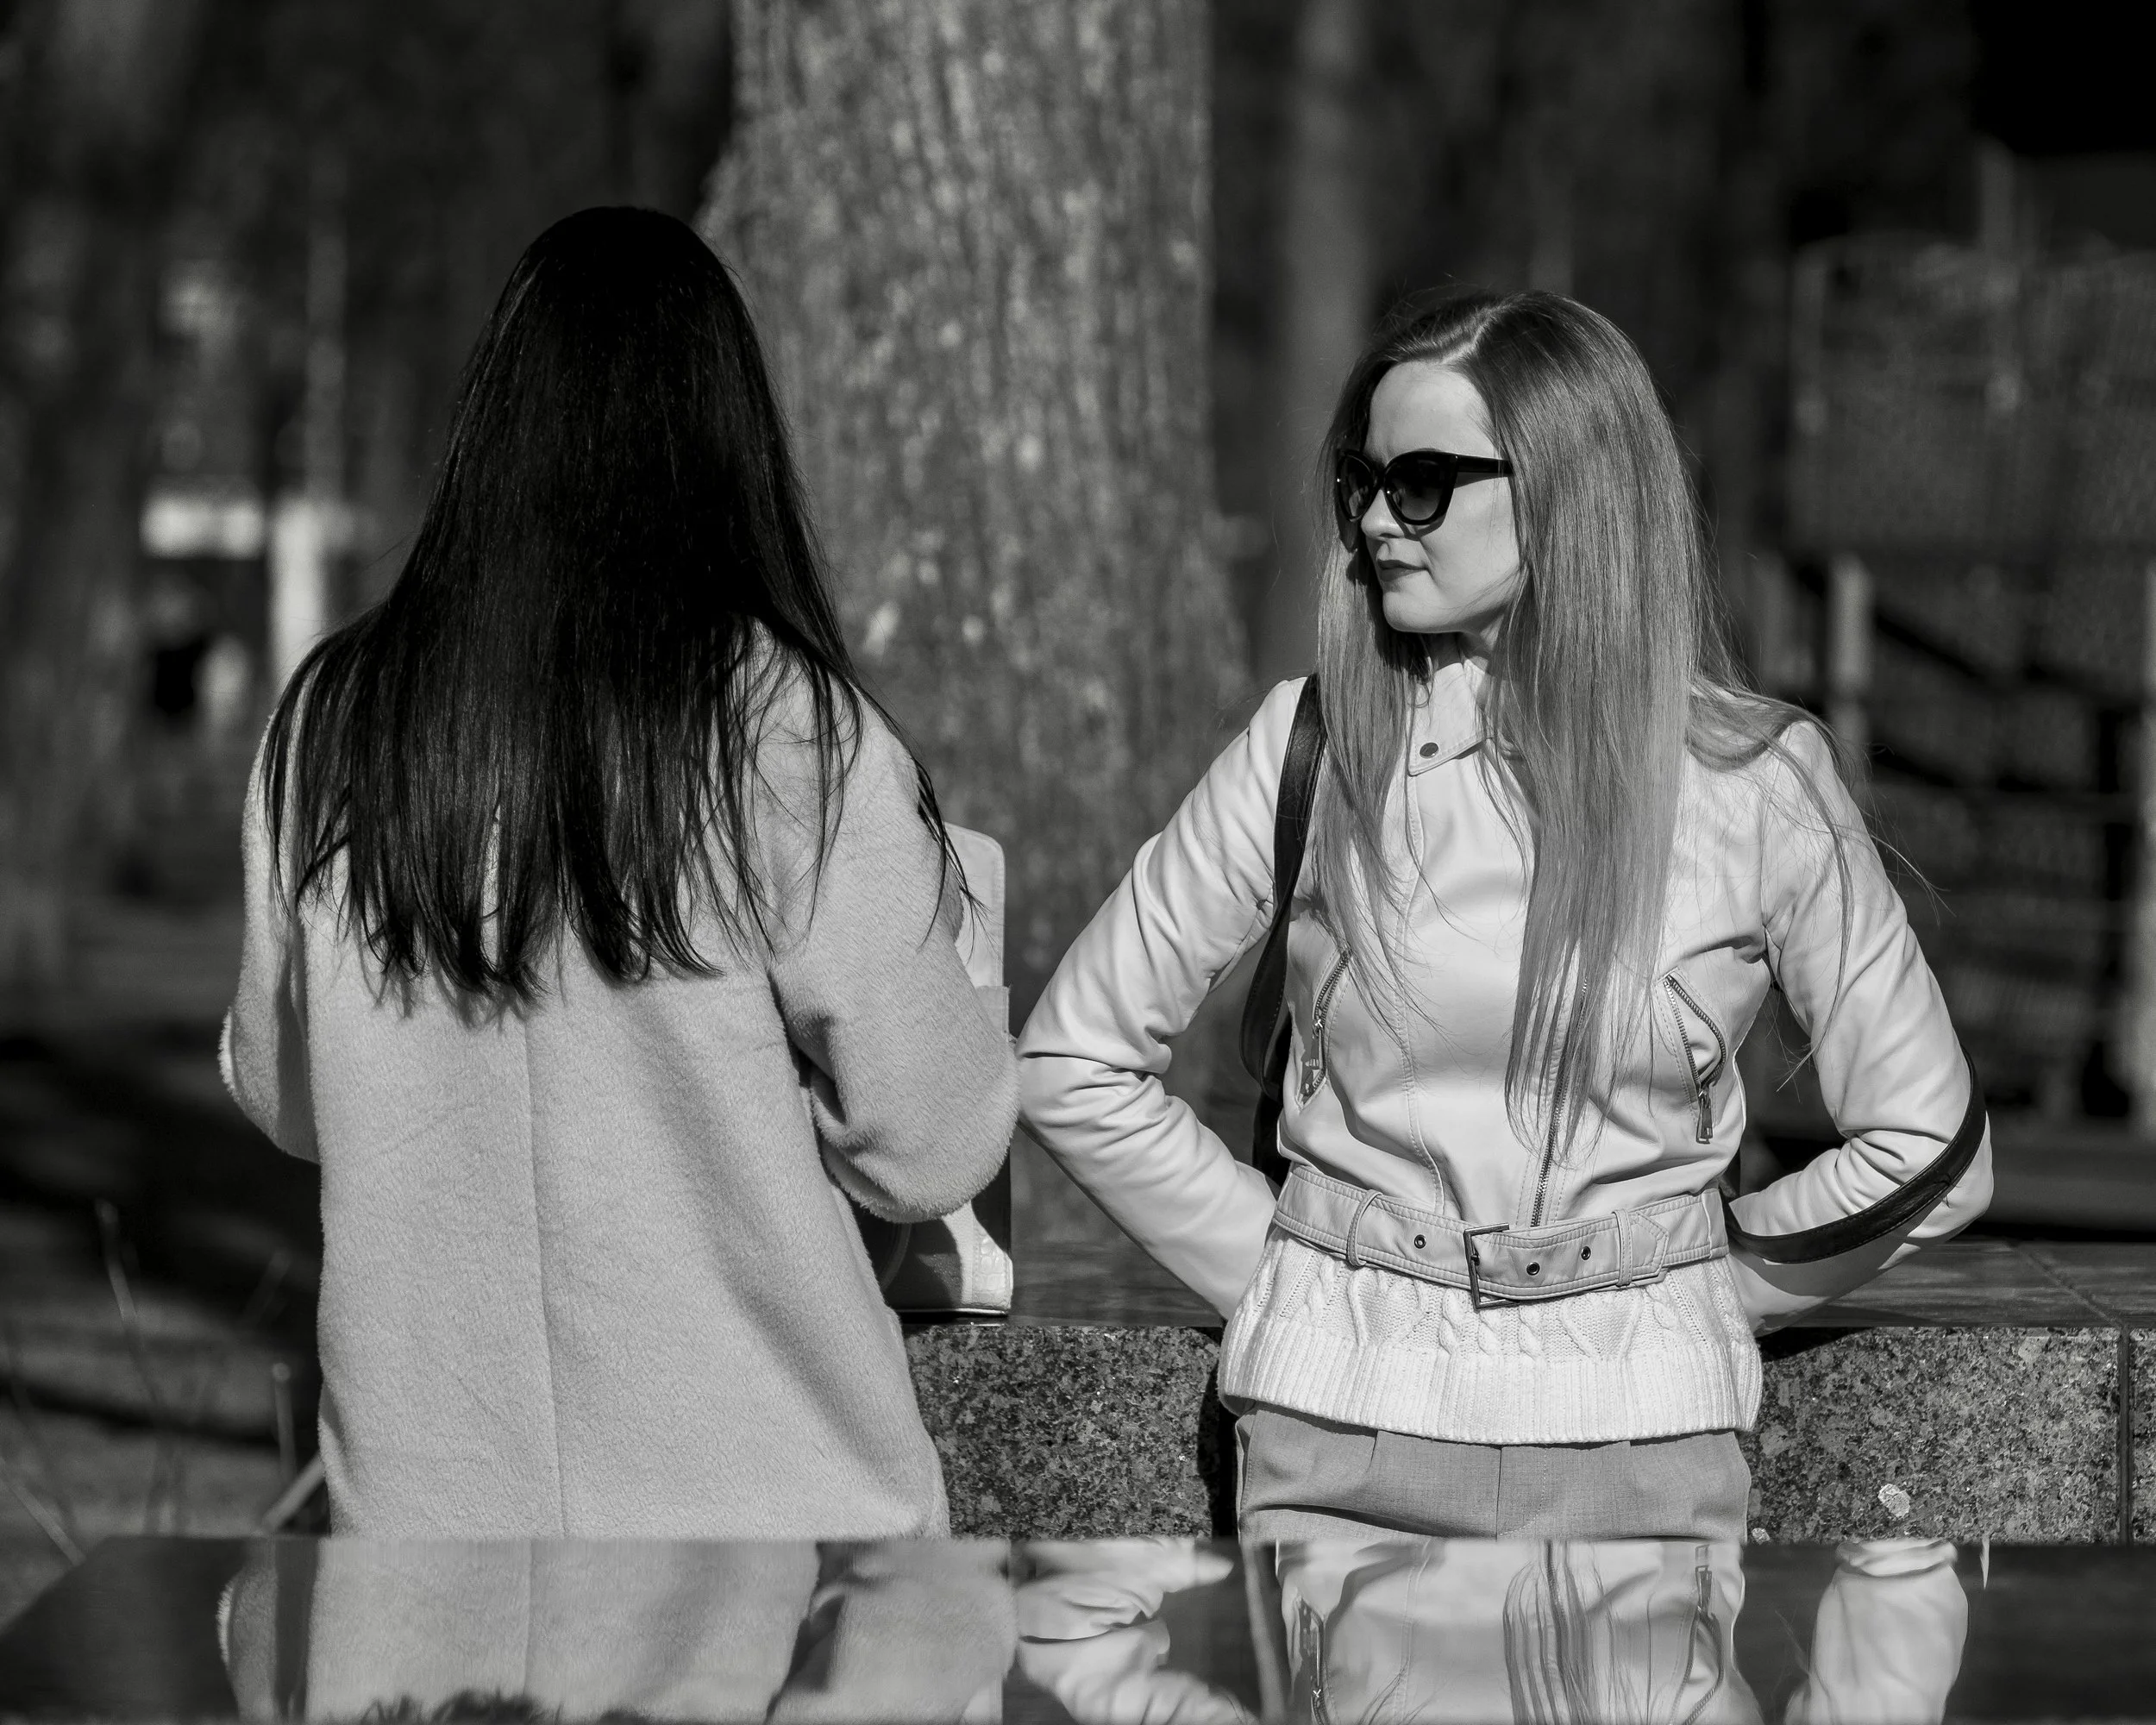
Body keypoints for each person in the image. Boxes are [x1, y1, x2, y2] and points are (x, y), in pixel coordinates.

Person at [1018, 288, 1990, 1542]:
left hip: (1641, 1440)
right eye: (1360, 479)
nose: (1377, 520)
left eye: (1424, 482)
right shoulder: (1306, 744)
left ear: (1568, 490)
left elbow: (1932, 1148)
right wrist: (1298, 1280)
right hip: (1334, 1436)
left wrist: (1705, 1284)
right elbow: (1073, 1061)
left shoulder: (1756, 780)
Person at [222, 207, 1017, 1539]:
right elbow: (932, 1139)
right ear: (727, 438)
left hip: (429, 1525)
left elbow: (287, 1091)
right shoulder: (781, 727)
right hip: (768, 1522)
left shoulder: (335, 720)